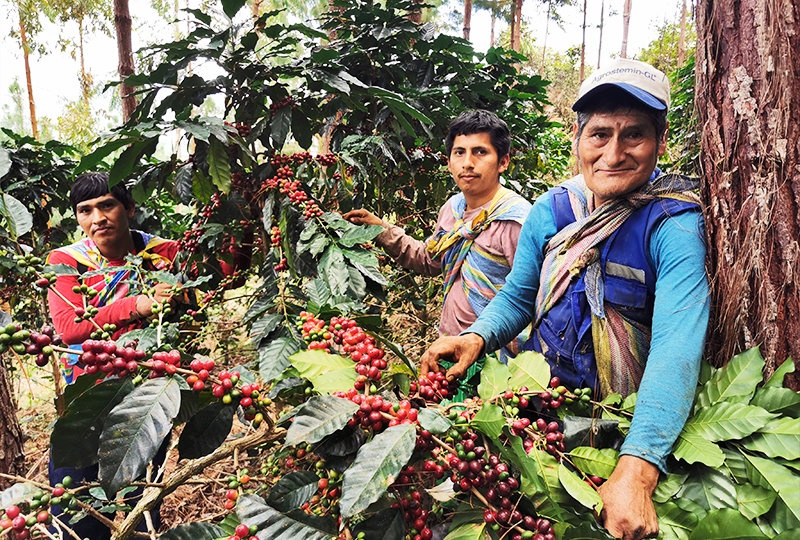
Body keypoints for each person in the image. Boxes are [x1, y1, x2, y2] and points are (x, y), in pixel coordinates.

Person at [420, 59, 709, 540]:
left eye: (633, 135)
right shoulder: (554, 209)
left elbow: (677, 344)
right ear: (578, 137)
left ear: (659, 141)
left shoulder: (672, 227)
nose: (613, 153)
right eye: (599, 134)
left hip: (621, 423)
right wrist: (476, 336)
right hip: (538, 406)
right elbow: (518, 294)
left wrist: (637, 470)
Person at [344, 110, 531, 361]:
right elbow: (429, 260)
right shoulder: (452, 210)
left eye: (480, 152)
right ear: (449, 161)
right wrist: (380, 229)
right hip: (447, 348)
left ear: (503, 162)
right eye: (459, 152)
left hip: (497, 359)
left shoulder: (516, 221)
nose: (467, 163)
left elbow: (529, 297)